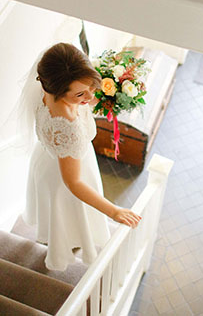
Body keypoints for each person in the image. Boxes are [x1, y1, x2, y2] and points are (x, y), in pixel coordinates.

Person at [21, 42, 142, 271]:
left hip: (47, 159)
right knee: (70, 218)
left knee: (63, 219)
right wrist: (113, 211)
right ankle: (66, 248)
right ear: (59, 91)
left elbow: (85, 100)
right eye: (80, 94)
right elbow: (73, 182)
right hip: (66, 175)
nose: (89, 96)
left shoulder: (47, 82)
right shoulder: (68, 126)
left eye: (90, 87)